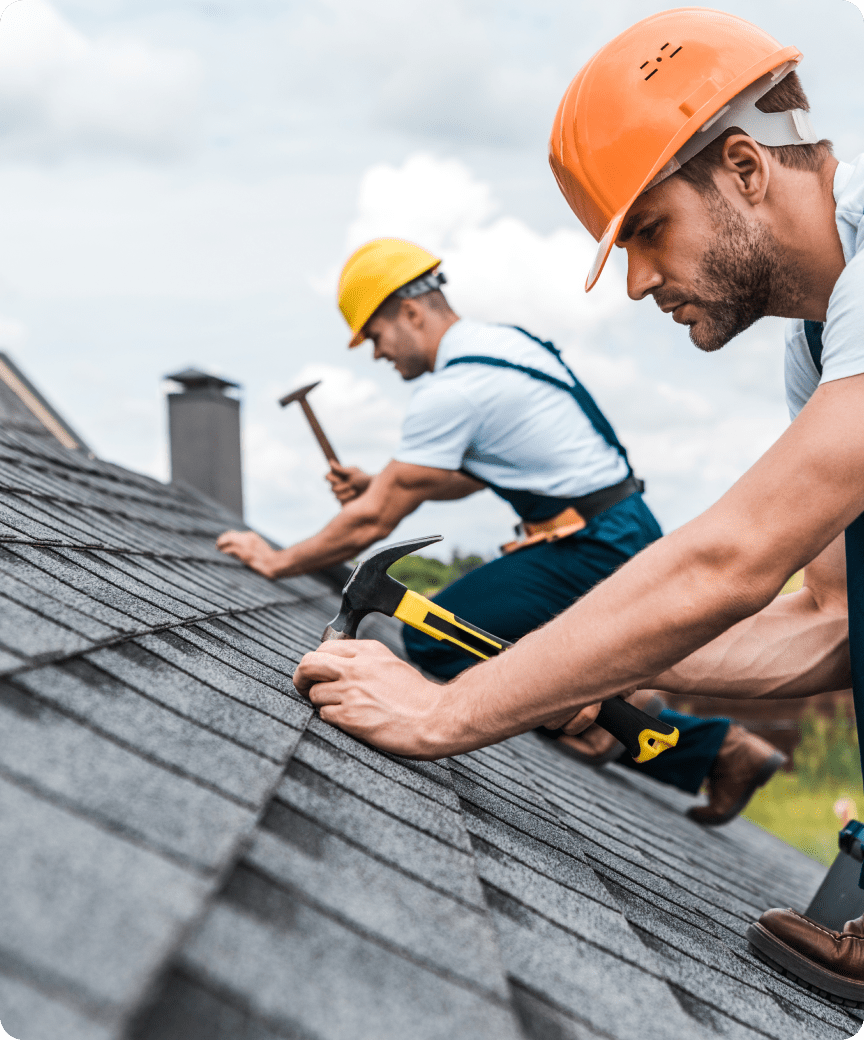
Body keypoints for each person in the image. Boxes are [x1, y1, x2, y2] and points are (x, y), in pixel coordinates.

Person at [290, 9, 864, 1005]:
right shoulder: (815, 349)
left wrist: (447, 709)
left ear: (744, 167)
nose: (638, 281)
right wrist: (573, 669)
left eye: (648, 230)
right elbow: (830, 621)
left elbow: (732, 561)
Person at [217, 235, 785, 823]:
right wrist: (382, 481)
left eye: (377, 337)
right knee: (522, 652)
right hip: (613, 528)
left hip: (591, 545)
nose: (379, 355)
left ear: (410, 312)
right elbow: (467, 476)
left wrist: (277, 559)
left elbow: (375, 519)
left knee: (436, 639)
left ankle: (671, 734)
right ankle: (666, 730)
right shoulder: (504, 347)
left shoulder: (455, 388)